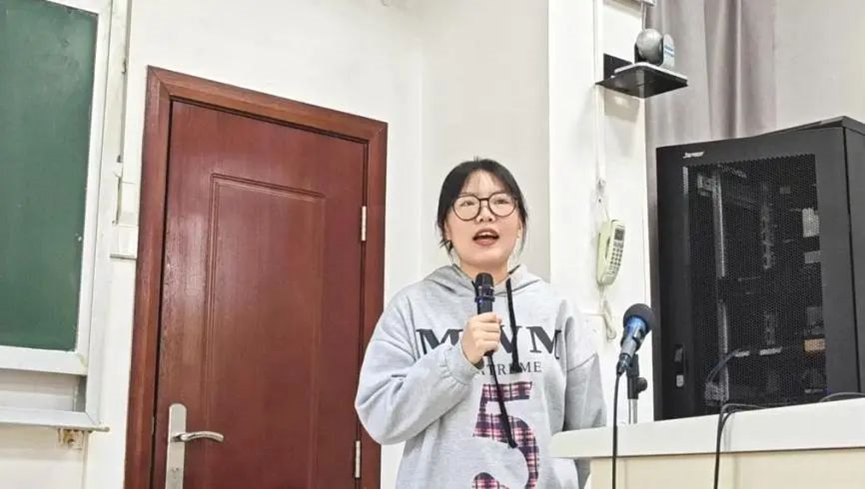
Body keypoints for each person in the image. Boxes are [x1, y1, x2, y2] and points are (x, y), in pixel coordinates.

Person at [355, 158, 606, 489]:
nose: (485, 214)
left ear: (520, 223)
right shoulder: (412, 307)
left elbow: (588, 435)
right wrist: (457, 360)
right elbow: (380, 415)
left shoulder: (558, 310)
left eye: (500, 202)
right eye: (467, 204)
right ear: (445, 228)